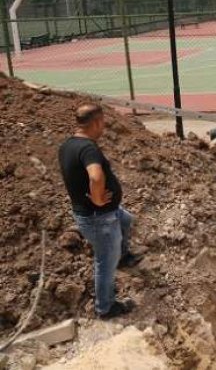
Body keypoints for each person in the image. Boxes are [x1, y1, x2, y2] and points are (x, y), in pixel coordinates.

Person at [58, 104, 140, 320]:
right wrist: (97, 198)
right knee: (105, 261)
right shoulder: (88, 149)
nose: (104, 127)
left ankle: (122, 255)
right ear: (95, 123)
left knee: (127, 220)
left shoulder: (68, 145)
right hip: (99, 218)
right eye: (103, 122)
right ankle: (105, 308)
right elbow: (95, 176)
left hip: (104, 214)